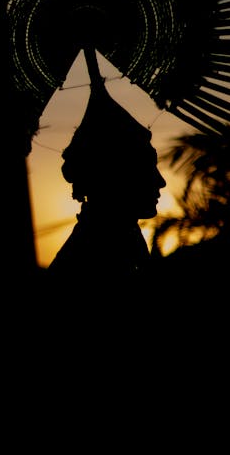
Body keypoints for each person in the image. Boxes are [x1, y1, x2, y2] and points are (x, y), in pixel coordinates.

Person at [46, 48, 166, 284]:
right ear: (114, 177)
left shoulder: (122, 241)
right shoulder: (95, 259)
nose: (160, 181)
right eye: (145, 168)